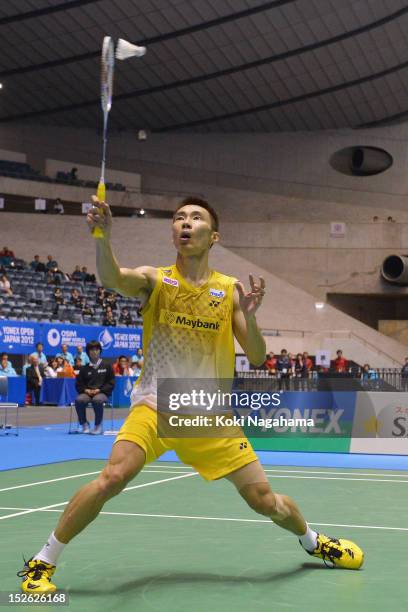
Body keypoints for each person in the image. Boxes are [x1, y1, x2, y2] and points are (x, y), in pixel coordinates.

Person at [18, 195, 363, 594]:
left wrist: (249, 316)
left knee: (266, 501)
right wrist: (102, 236)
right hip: (157, 405)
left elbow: (256, 355)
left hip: (207, 415)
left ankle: (314, 541)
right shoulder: (156, 280)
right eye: (179, 218)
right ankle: (42, 561)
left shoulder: (229, 290)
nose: (185, 223)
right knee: (112, 476)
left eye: (195, 218)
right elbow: (113, 279)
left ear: (213, 236)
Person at [73, 340, 115, 435]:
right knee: (79, 400)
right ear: (88, 352)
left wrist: (100, 390)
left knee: (97, 400)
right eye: (91, 350)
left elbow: (111, 383)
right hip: (87, 393)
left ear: (100, 351)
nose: (94, 352)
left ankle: (98, 425)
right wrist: (85, 390)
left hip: (102, 393)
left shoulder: (107, 366)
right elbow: (78, 384)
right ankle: (84, 424)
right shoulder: (84, 369)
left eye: (96, 349)